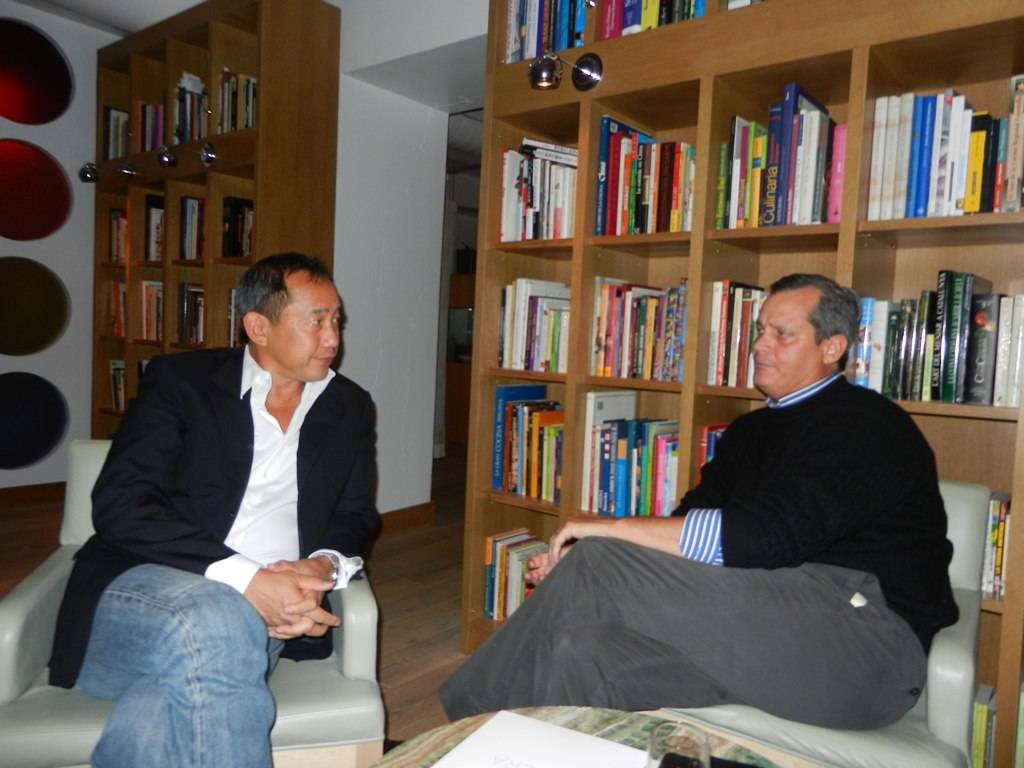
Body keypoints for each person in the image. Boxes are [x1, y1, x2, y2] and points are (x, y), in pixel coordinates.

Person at [440, 273, 958, 730]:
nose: (760, 345)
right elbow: (688, 530)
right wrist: (580, 567)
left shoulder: (867, 425)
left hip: (865, 647)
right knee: (578, 650)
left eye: (782, 334)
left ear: (832, 347)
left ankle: (467, 727)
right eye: (760, 330)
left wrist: (607, 533)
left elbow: (765, 538)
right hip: (768, 629)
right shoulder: (750, 433)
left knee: (598, 558)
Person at [49, 253, 380, 768]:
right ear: (258, 327)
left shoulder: (350, 406)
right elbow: (121, 503)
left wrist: (321, 568)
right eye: (316, 321)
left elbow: (355, 515)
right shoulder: (182, 383)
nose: (333, 337)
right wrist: (248, 580)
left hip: (270, 615)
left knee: (160, 711)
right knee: (222, 616)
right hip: (146, 589)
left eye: (336, 319)